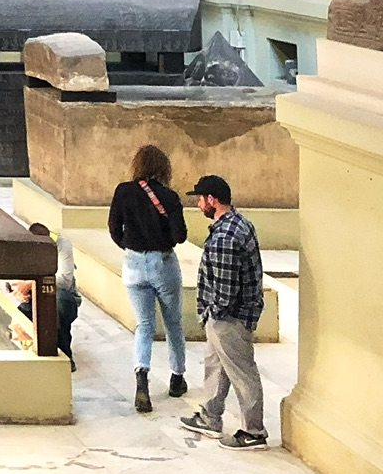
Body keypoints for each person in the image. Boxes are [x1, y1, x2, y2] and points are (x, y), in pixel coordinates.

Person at [180, 175, 268, 449]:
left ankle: (253, 431)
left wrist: (213, 312)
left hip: (229, 319)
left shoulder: (224, 238)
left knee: (242, 373)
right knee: (215, 366)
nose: (198, 204)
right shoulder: (240, 223)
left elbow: (226, 291)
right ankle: (210, 416)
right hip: (230, 316)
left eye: (200, 198)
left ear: (212, 200)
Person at [108, 142, 188, 412]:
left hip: (132, 262)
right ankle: (177, 377)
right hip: (162, 262)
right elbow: (180, 236)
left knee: (144, 325)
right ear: (163, 168)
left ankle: (141, 376)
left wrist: (130, 246)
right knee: (173, 321)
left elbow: (113, 229)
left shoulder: (123, 191)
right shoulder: (169, 197)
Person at [18, 221, 81, 367]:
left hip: (63, 297)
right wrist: (17, 286)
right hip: (34, 296)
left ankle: (65, 352)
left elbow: (64, 280)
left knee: (59, 303)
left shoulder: (62, 245)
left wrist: (31, 283)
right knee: (14, 314)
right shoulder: (26, 247)